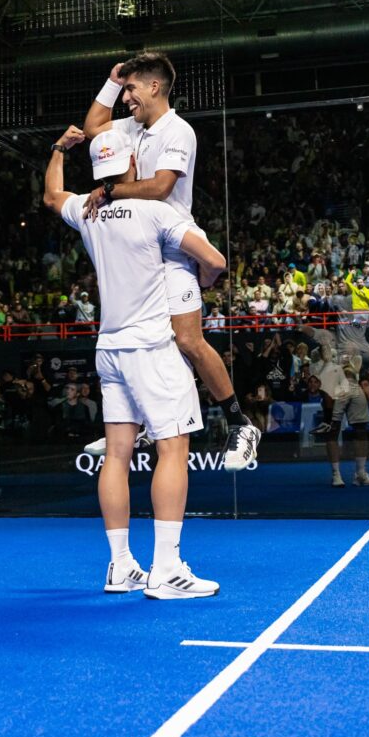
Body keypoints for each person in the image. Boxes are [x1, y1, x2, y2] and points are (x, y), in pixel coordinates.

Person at [44, 124, 238, 599]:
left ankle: (121, 567)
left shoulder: (87, 212)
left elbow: (51, 196)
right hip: (151, 347)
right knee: (173, 450)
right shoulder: (154, 211)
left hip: (109, 349)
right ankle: (168, 570)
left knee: (116, 454)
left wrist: (57, 149)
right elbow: (215, 262)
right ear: (131, 166)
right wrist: (207, 279)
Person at [81, 51, 257, 468]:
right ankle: (137, 424)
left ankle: (240, 424)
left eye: (131, 89)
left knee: (187, 340)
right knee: (143, 343)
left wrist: (108, 192)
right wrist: (111, 81)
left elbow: (161, 187)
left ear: (154, 87)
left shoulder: (178, 130)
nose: (126, 100)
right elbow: (92, 130)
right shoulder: (131, 126)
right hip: (138, 248)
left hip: (175, 247)